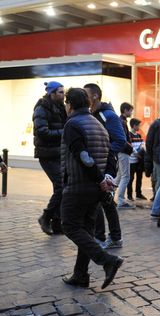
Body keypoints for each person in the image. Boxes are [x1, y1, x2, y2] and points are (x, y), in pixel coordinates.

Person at [59, 87, 123, 289]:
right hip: (95, 189)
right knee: (85, 229)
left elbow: (83, 157)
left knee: (69, 226)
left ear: (69, 104)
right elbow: (111, 153)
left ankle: (106, 260)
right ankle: (80, 274)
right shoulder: (98, 123)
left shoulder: (72, 124)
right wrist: (106, 177)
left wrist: (99, 178)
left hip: (78, 186)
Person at [84, 83, 127, 250]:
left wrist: (105, 153)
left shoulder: (108, 115)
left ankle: (105, 238)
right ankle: (110, 237)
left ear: (95, 95)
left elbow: (120, 140)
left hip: (105, 165)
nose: (84, 96)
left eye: (86, 93)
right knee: (103, 201)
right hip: (97, 164)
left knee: (104, 201)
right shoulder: (92, 114)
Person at [33, 81, 67, 234]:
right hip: (46, 154)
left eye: (63, 92)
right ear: (51, 93)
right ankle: (46, 217)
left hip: (59, 152)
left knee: (61, 186)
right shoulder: (41, 108)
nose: (63, 94)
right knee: (61, 186)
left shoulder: (61, 107)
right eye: (60, 92)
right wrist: (64, 132)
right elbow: (42, 132)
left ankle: (57, 224)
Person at [144, 104, 160, 200]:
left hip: (156, 155)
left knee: (158, 179)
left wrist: (151, 155)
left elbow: (149, 141)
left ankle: (158, 199)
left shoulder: (155, 123)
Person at [114, 102, 134, 208]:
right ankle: (121, 200)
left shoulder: (121, 121)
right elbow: (123, 138)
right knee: (125, 176)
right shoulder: (122, 122)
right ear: (125, 110)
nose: (131, 112)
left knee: (119, 176)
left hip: (121, 151)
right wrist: (130, 147)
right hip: (123, 151)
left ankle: (110, 195)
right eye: (130, 110)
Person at [127, 118, 145, 201]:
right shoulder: (129, 135)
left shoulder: (139, 135)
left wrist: (141, 150)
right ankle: (129, 195)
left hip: (139, 160)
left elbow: (142, 144)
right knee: (130, 178)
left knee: (139, 177)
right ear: (134, 125)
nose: (139, 127)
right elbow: (130, 146)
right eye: (138, 125)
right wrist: (136, 153)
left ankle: (138, 193)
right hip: (131, 160)